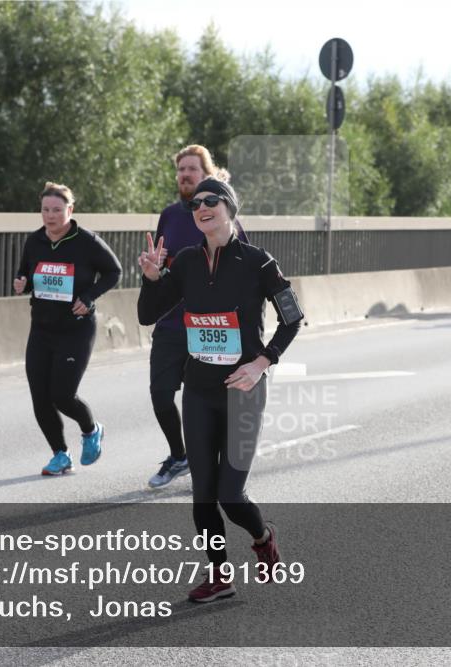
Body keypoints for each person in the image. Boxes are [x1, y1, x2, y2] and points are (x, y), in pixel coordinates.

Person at [137, 177, 302, 602]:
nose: (202, 207)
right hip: (199, 389)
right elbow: (147, 314)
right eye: (195, 204)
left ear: (230, 209)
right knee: (203, 495)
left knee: (231, 495)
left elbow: (293, 318)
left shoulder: (258, 262)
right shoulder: (188, 261)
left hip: (243, 389)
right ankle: (220, 576)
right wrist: (153, 278)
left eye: (212, 201)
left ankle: (263, 537)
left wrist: (262, 362)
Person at [145, 145, 248, 489]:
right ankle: (180, 456)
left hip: (211, 328)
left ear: (207, 175)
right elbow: (161, 262)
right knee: (161, 395)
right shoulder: (171, 215)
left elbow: (244, 269)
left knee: (204, 403)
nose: (184, 175)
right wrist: (153, 273)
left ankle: (213, 466)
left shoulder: (225, 216)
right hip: (172, 324)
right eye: (180, 170)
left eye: (192, 169)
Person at [14, 182, 122, 475]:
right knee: (40, 397)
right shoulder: (35, 240)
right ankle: (60, 455)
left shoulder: (86, 241)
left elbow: (114, 272)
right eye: (46, 210)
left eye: (57, 210)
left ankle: (91, 429)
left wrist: (88, 298)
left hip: (75, 329)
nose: (50, 216)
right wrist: (21, 282)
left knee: (62, 394)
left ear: (69, 210)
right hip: (42, 329)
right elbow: (26, 272)